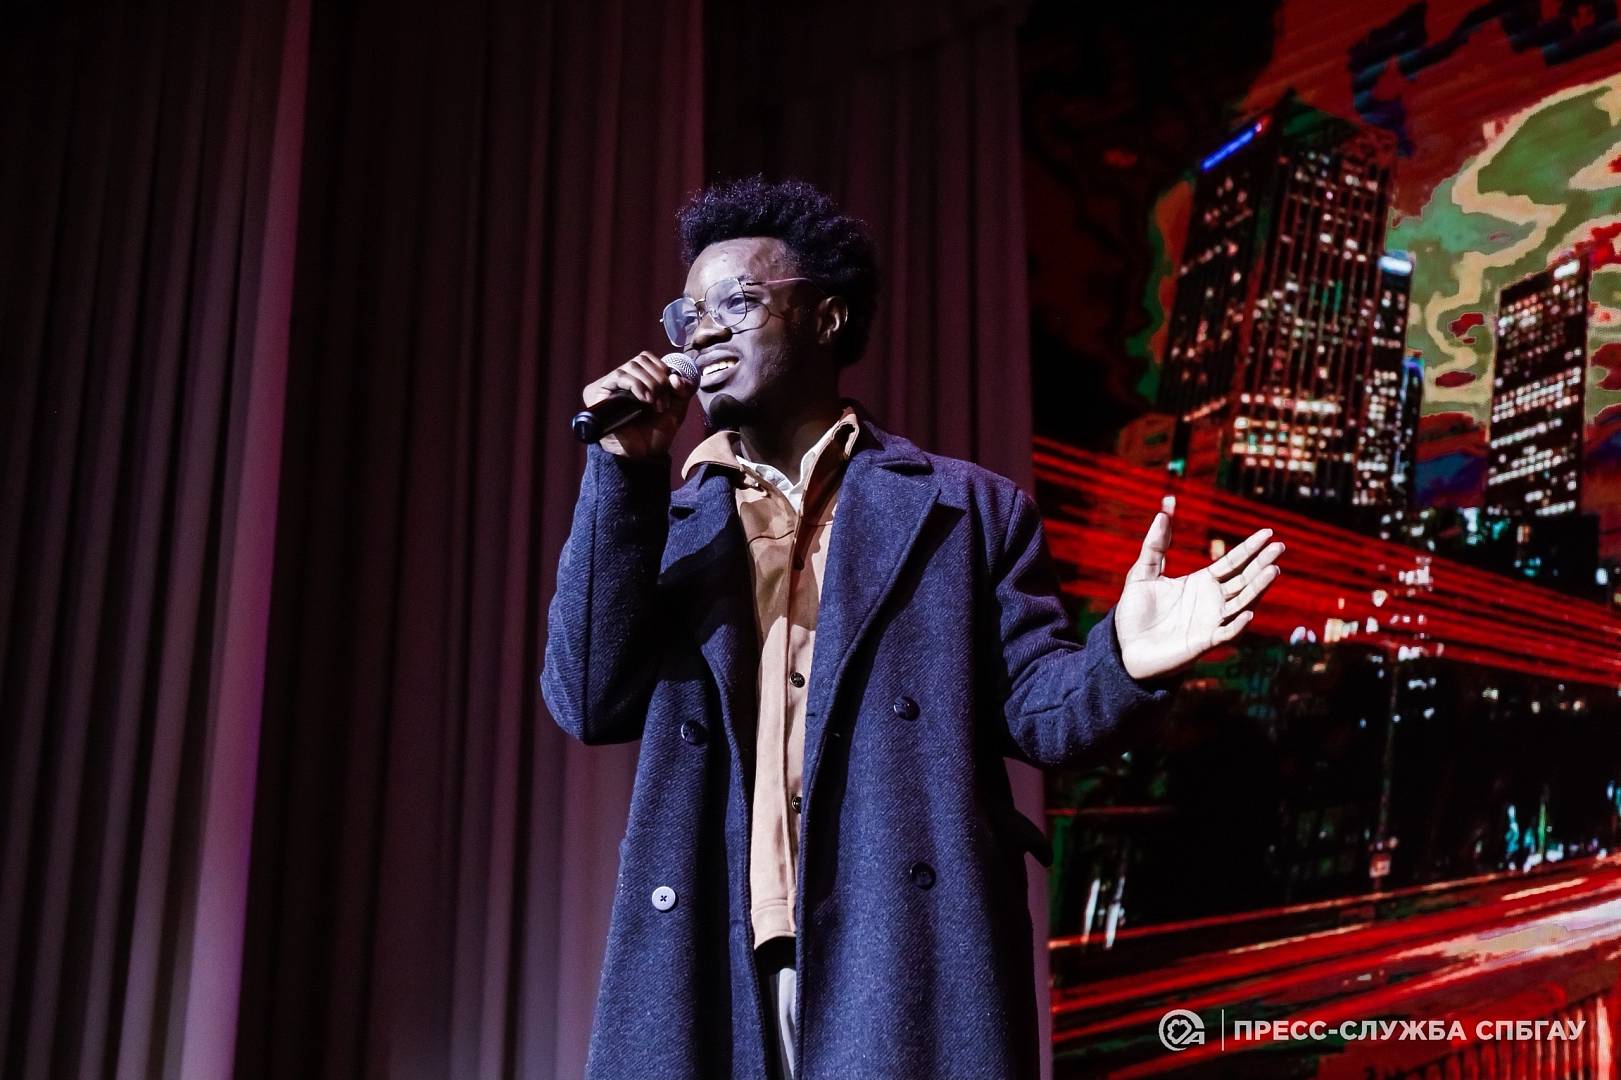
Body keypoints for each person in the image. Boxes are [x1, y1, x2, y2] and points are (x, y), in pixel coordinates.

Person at [541, 176, 1284, 1079]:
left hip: (898, 953)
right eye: (688, 314)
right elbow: (588, 700)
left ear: (826, 318)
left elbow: (1040, 714)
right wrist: (622, 472)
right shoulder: (665, 523)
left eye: (736, 302)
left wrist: (1122, 659)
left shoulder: (963, 509)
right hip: (706, 948)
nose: (702, 333)